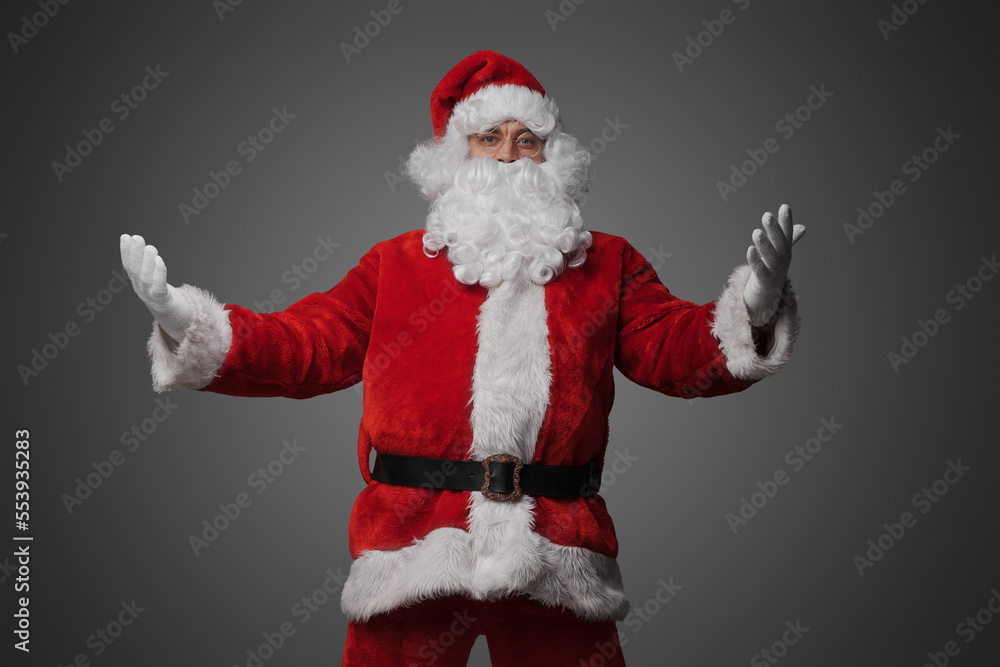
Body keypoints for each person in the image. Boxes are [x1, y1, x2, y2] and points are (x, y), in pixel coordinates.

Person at [120, 50, 803, 666]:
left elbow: (676, 351)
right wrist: (189, 320)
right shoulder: (393, 267)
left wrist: (755, 304)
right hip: (413, 547)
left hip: (557, 551)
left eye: (527, 140)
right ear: (457, 157)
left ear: (552, 159)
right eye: (489, 138)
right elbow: (308, 344)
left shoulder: (608, 265)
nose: (508, 156)